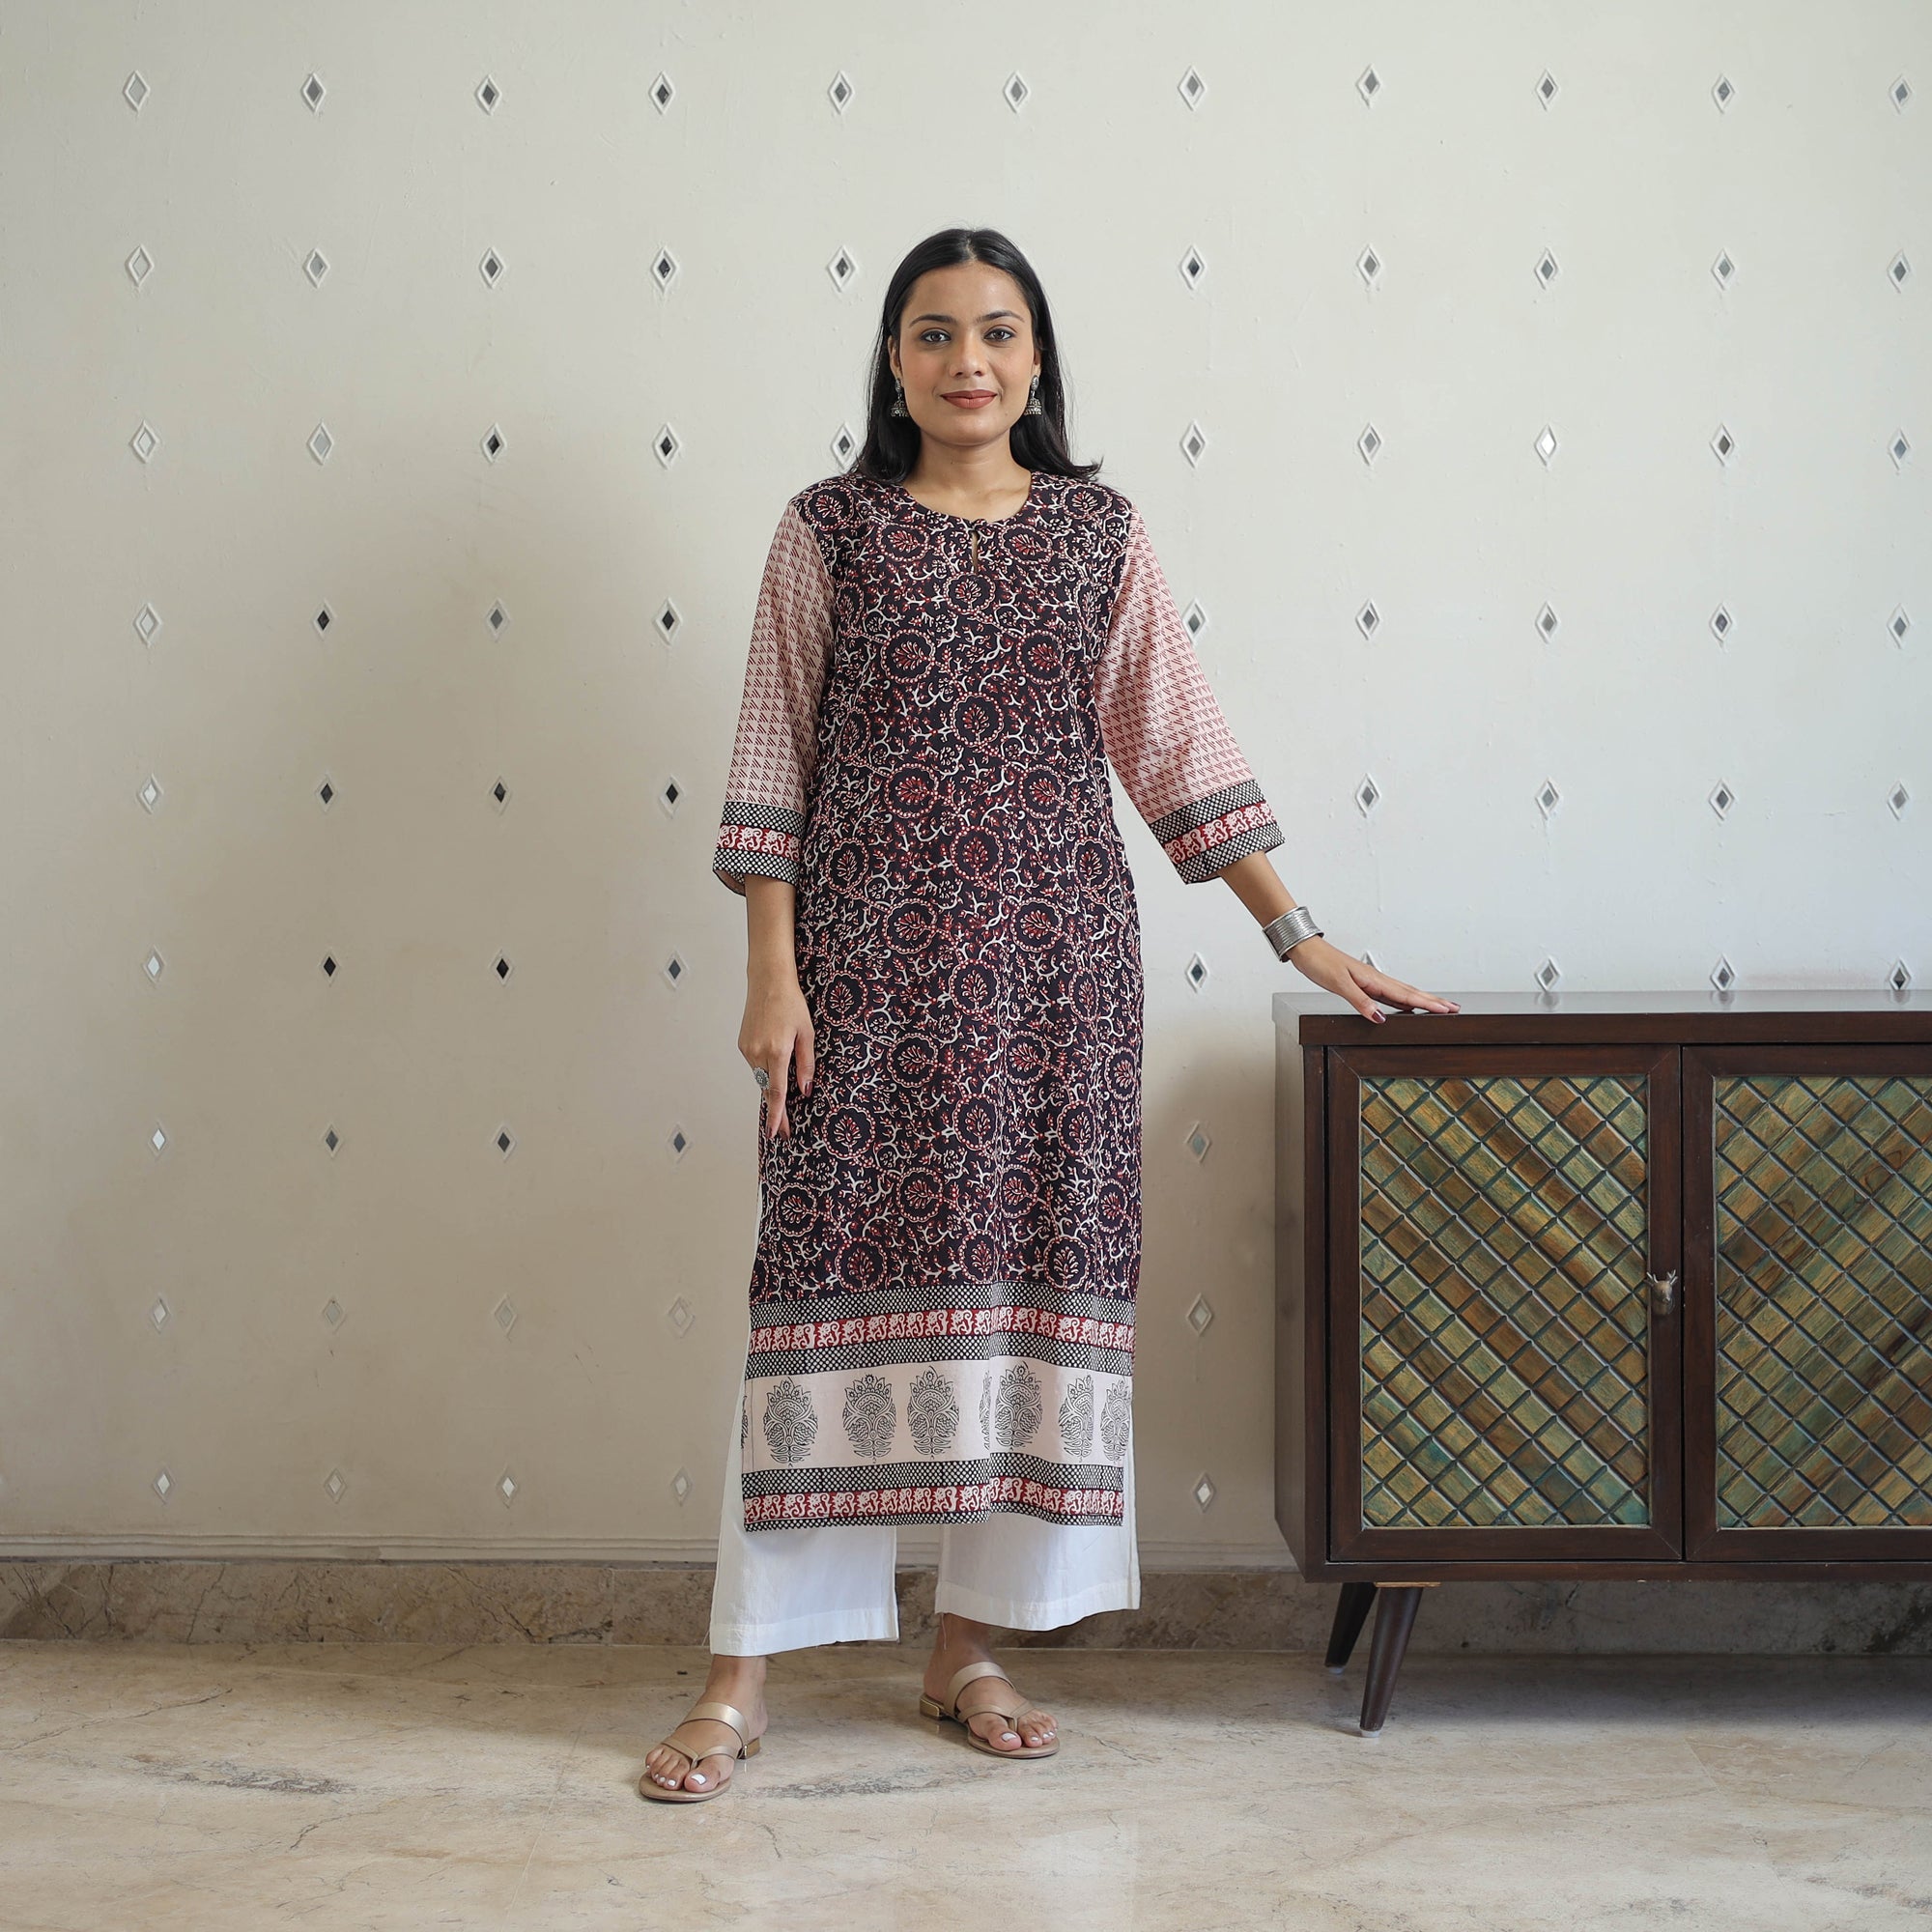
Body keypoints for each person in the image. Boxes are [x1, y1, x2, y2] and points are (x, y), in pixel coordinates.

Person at [641, 227, 1458, 1802]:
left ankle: (970, 1647)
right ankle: (741, 1676)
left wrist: (1302, 934)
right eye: (935, 332)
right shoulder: (828, 532)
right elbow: (772, 756)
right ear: (893, 362)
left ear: (1038, 359)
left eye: (999, 331)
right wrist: (770, 974)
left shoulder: (1099, 533)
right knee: (814, 1288)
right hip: (864, 986)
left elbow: (1174, 745)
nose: (969, 360)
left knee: (1033, 1295)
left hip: (1057, 983)